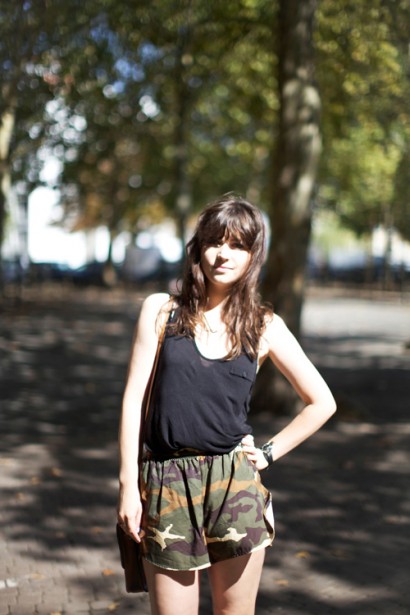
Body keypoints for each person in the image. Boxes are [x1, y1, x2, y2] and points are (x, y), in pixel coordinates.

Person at [117, 194, 336, 615]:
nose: (223, 254)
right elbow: (133, 400)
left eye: (237, 245)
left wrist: (268, 453)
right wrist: (129, 485)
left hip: (234, 485)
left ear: (253, 256)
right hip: (166, 483)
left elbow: (321, 402)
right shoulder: (161, 311)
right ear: (198, 248)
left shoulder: (264, 325)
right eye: (215, 242)